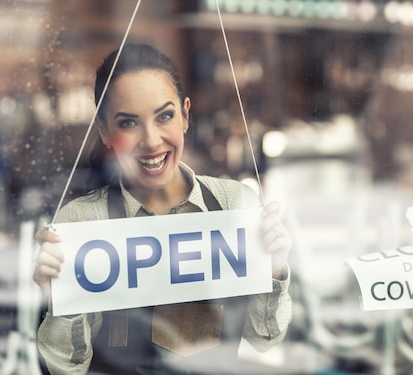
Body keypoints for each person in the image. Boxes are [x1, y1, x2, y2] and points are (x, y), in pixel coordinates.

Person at [32, 43, 292, 375]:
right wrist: (62, 301)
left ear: (185, 114)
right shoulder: (82, 222)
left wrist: (274, 269)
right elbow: (65, 369)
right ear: (103, 131)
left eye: (164, 115)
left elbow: (265, 338)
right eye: (128, 123)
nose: (152, 140)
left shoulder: (235, 204)